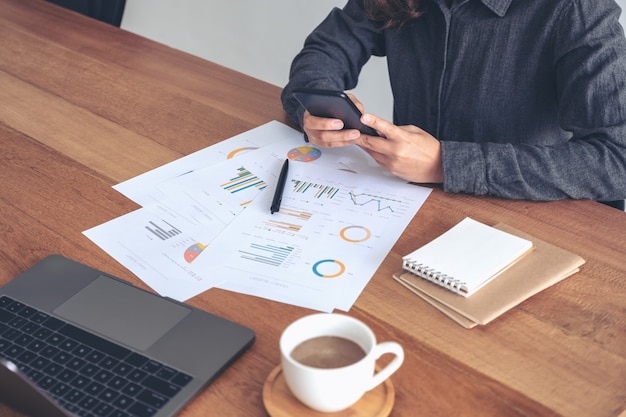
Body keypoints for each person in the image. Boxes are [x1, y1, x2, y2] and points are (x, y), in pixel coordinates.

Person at [281, 0, 626, 208]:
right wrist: (316, 105)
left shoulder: (576, 9)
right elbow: (325, 53)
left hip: (523, 217)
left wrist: (447, 164)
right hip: (406, 204)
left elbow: (617, 159)